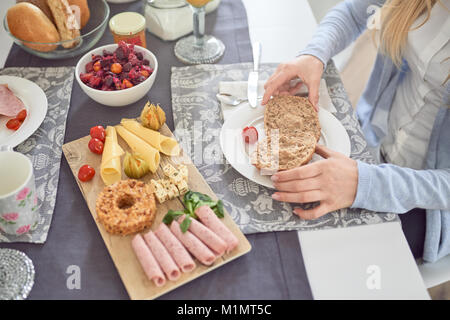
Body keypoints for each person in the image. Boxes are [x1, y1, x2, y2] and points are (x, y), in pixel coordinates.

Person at [262, 0, 449, 262]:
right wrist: (314, 54)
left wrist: (367, 183)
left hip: (427, 203)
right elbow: (352, 12)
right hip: (368, 144)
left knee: (324, 254)